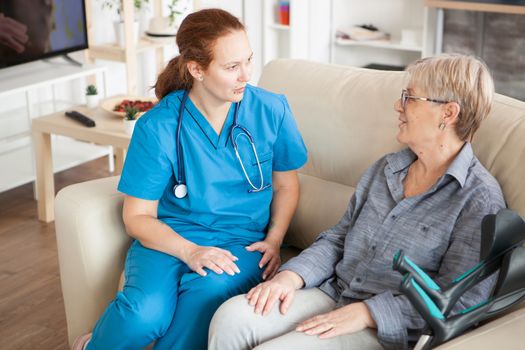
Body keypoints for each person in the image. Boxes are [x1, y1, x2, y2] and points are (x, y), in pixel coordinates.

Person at [208, 54, 506, 350]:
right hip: (335, 290)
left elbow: (461, 301)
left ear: (448, 113)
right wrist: (290, 277)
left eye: (410, 98)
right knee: (230, 319)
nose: (397, 106)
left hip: (388, 329)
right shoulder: (387, 168)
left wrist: (369, 313)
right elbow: (339, 238)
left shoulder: (479, 200)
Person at [72, 8, 307, 350]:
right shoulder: (159, 126)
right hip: (168, 240)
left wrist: (274, 239)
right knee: (144, 315)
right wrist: (190, 251)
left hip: (240, 242)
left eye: (248, 60)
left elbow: (287, 184)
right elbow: (137, 218)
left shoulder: (272, 110)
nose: (246, 75)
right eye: (231, 67)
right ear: (197, 69)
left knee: (205, 296)